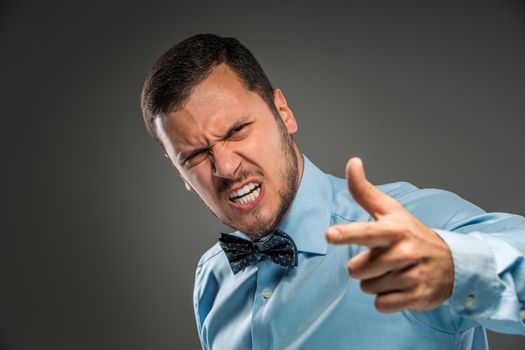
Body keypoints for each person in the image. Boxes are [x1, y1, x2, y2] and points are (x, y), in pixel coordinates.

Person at [140, 33, 525, 349]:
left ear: (283, 113)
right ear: (181, 175)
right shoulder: (212, 278)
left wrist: (458, 269)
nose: (225, 167)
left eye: (237, 131)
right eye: (195, 155)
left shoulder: (410, 231)